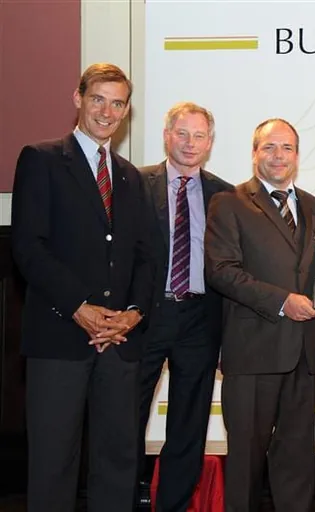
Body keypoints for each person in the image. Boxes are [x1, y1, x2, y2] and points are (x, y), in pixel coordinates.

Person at [11, 63, 153, 511]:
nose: (107, 112)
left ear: (126, 111)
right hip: (60, 337)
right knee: (54, 463)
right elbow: (28, 247)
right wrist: (79, 307)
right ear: (78, 99)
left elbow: (145, 257)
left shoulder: (130, 176)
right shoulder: (41, 159)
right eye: (98, 100)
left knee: (118, 463)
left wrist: (133, 313)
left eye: (117, 104)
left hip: (119, 342)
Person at [205, 118, 315, 511]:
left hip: (303, 354)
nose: (279, 156)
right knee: (245, 463)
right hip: (253, 351)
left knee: (296, 461)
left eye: (287, 148)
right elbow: (221, 271)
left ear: (297, 155)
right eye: (269, 147)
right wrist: (282, 300)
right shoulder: (229, 202)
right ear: (254, 153)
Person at [136, 102, 232, 511]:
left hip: (200, 319)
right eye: (182, 133)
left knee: (188, 427)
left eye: (199, 136)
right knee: (125, 419)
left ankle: (172, 506)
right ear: (166, 136)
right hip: (144, 316)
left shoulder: (225, 195)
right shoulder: (136, 183)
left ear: (209, 143)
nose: (190, 143)